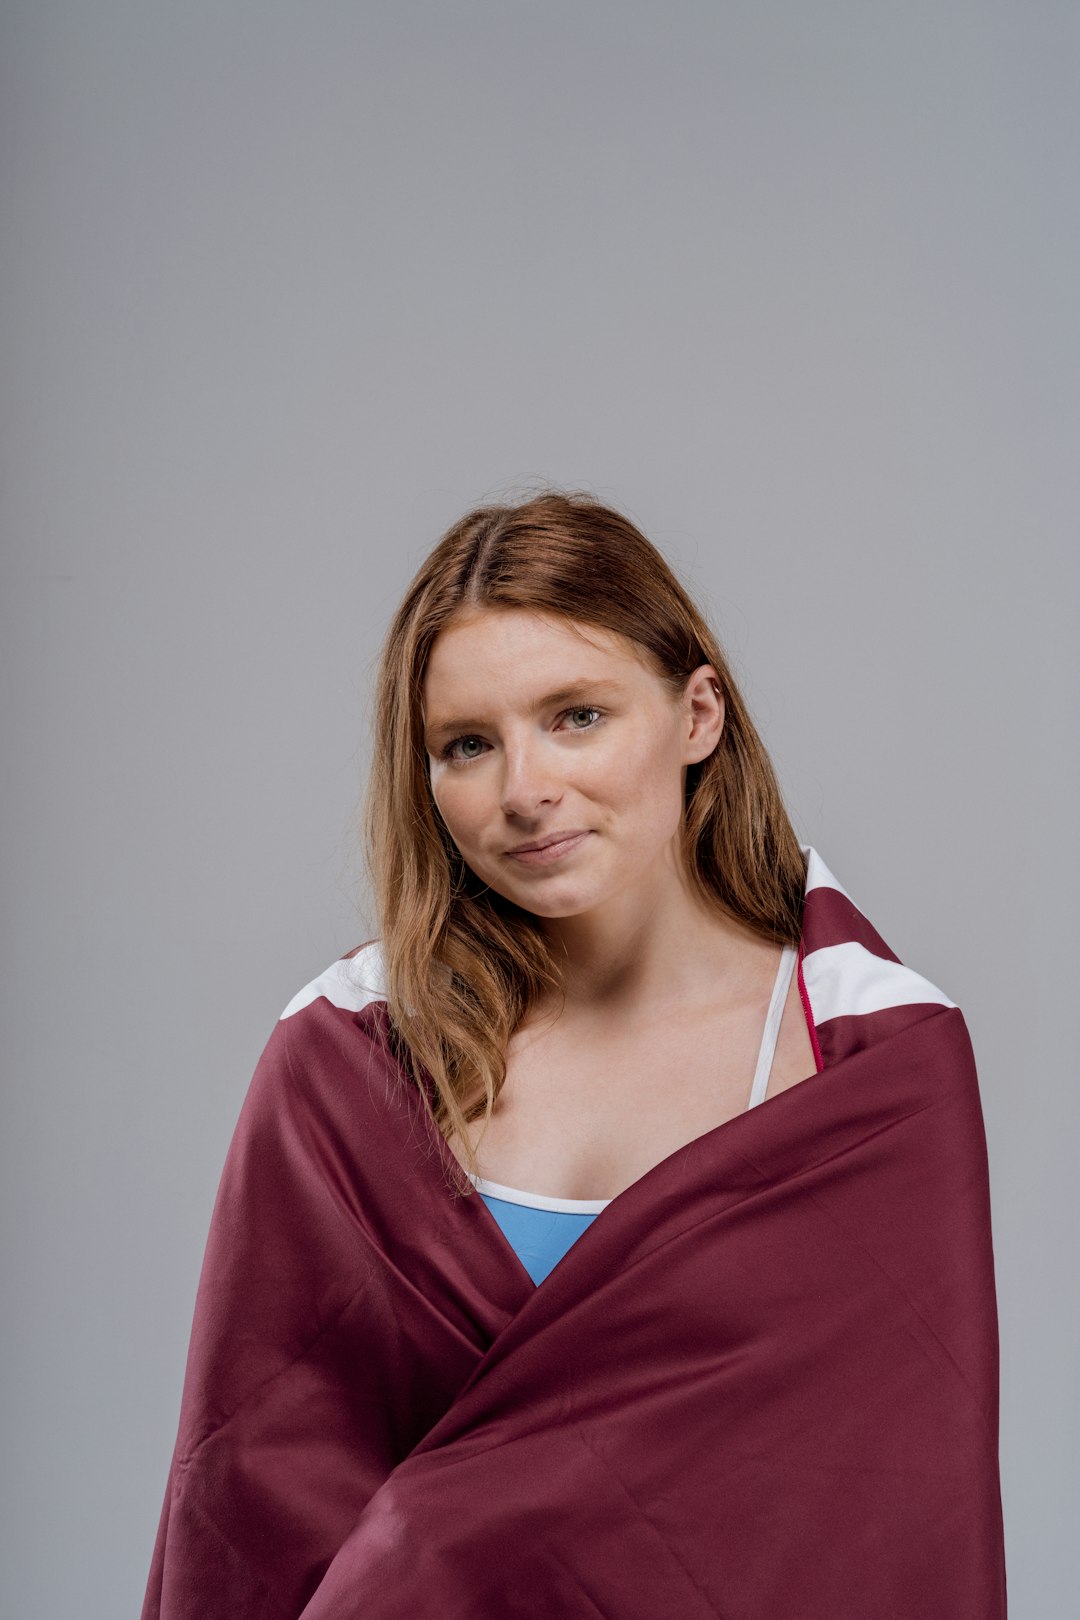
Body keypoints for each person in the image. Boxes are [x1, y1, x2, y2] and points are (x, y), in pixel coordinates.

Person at [142, 489, 1007, 1618]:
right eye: (467, 745)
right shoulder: (349, 1057)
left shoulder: (876, 1065)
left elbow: (894, 1519)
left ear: (698, 716)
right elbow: (252, 1496)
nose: (524, 790)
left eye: (578, 716)